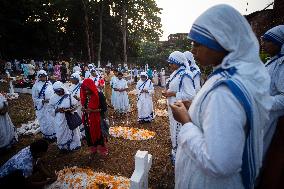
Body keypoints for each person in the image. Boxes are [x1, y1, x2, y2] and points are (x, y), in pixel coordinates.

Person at [170, 4, 271, 189]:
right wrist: (196, 107)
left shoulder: (225, 92)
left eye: (197, 44)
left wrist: (186, 122)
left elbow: (219, 163)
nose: (192, 51)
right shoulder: (232, 75)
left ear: (221, 41)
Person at [257, 25, 284, 189]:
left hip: (268, 119)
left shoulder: (282, 65)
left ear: (279, 43)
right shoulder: (272, 62)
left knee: (257, 159)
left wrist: (264, 102)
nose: (263, 44)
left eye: (267, 41)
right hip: (259, 116)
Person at [162, 51, 197, 162]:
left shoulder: (185, 74)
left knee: (179, 131)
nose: (170, 65)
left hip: (180, 108)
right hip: (174, 107)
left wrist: (172, 94)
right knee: (174, 129)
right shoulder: (177, 73)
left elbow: (191, 95)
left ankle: (180, 157)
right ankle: (175, 152)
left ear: (178, 62)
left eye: (172, 63)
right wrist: (169, 92)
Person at [48, 81, 81, 152]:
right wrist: (57, 110)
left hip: (70, 117)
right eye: (57, 92)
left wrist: (70, 109)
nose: (59, 93)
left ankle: (74, 145)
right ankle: (63, 147)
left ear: (63, 89)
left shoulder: (69, 96)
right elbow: (49, 109)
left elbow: (75, 105)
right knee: (61, 131)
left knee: (73, 131)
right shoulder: (53, 98)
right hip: (59, 119)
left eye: (60, 91)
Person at [80, 78, 108, 155]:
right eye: (84, 89)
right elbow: (84, 105)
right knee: (88, 133)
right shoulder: (85, 95)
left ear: (91, 87)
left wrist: (93, 111)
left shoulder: (99, 95)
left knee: (99, 133)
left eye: (87, 89)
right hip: (87, 118)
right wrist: (83, 108)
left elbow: (104, 108)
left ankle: (102, 149)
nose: (86, 91)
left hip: (98, 119)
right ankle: (93, 148)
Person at [32, 70, 56, 141]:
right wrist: (43, 101)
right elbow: (34, 98)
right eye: (41, 76)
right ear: (39, 77)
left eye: (44, 76)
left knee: (52, 120)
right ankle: (47, 136)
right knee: (45, 121)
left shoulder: (49, 84)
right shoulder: (35, 86)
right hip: (43, 107)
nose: (43, 78)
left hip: (50, 106)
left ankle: (54, 134)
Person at [69, 72, 84, 138]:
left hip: (79, 106)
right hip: (73, 106)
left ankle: (83, 133)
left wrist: (78, 98)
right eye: (71, 78)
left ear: (77, 79)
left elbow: (84, 97)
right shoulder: (71, 86)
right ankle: (77, 134)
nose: (71, 80)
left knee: (80, 118)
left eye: (73, 79)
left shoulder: (81, 86)